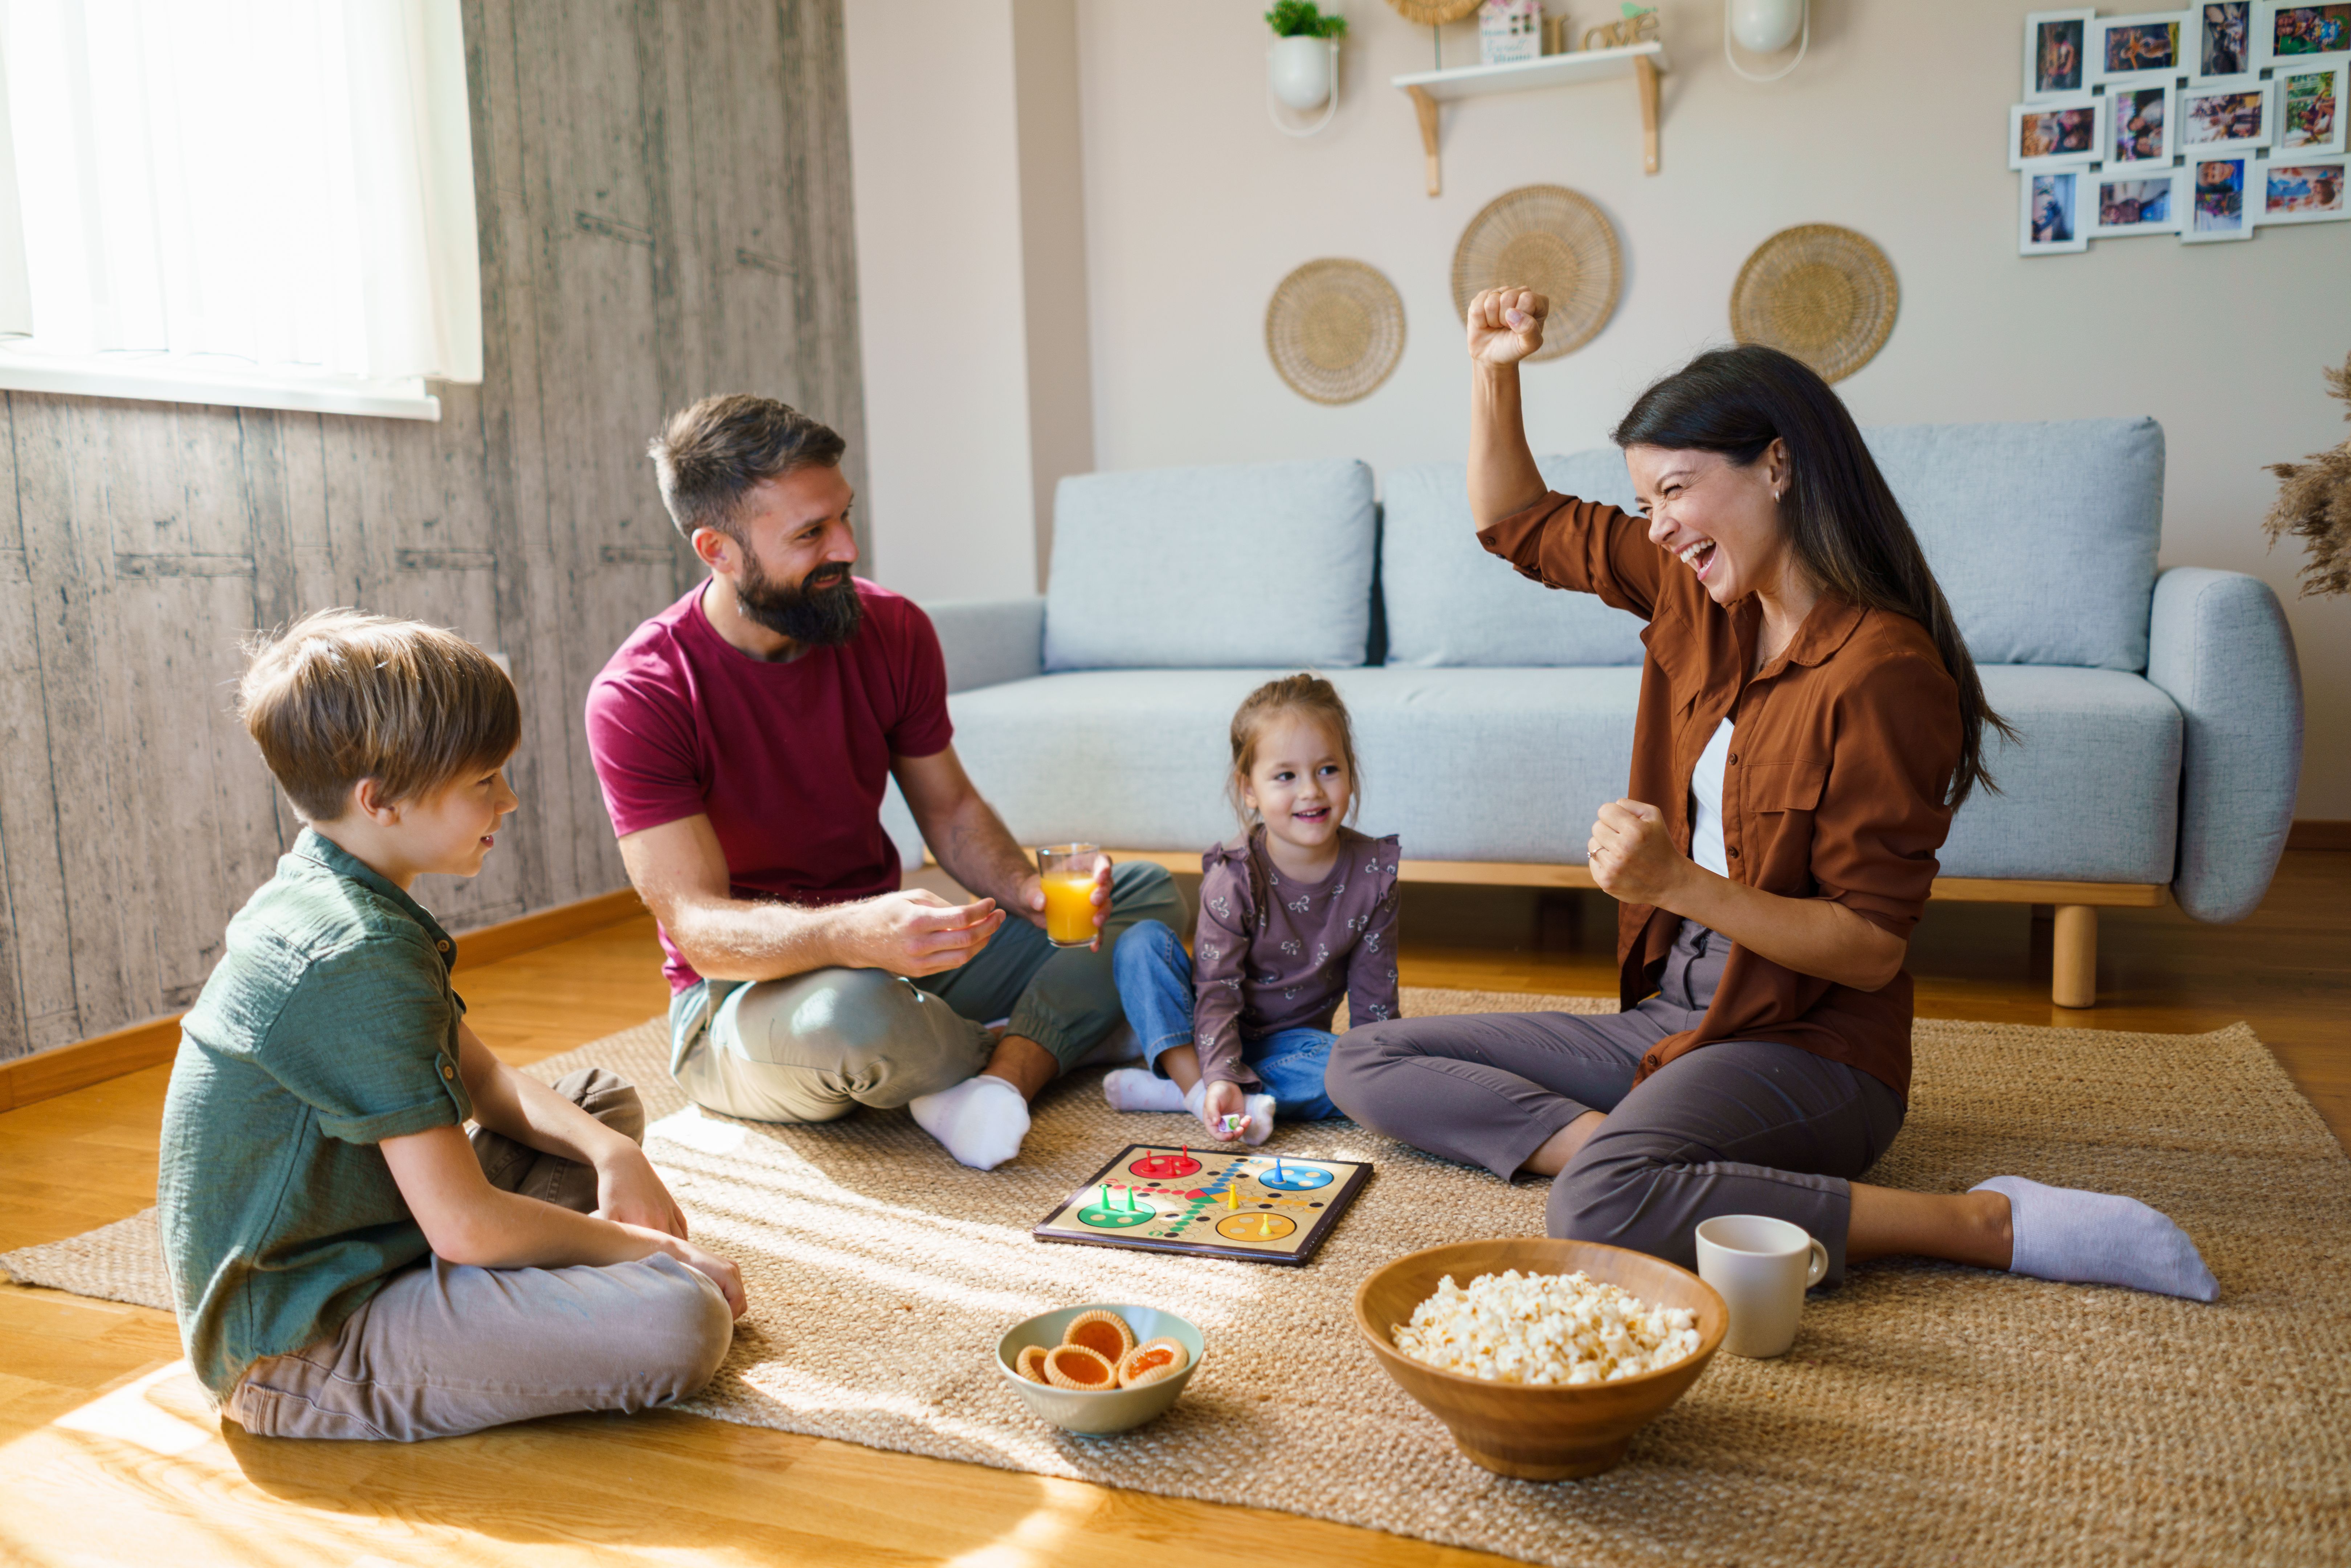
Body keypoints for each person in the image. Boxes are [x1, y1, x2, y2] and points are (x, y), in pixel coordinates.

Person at [1325, 291, 2221, 1304]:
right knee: (1364, 1060)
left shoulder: (1882, 669)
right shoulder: (1698, 594)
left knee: (1596, 1208)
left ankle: (1979, 1220)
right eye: (1644, 504)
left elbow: (1868, 946)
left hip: (1811, 1045)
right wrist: (1493, 369)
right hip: (1676, 1015)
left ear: (1777, 465)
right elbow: (1515, 523)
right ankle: (1648, 1153)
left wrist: (1677, 882)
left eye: (1673, 491)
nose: (1657, 528)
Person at [158, 610, 742, 1442]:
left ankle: (498, 1296)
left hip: (381, 1241)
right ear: (380, 800)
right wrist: (648, 1254)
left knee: (595, 1103)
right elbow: (464, 1226)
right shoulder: (354, 955)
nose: (509, 798)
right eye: (484, 781)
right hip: (300, 1347)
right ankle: (504, 1309)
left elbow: (485, 1081)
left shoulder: (334, 885)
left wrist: (617, 1155)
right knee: (680, 1321)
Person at [587, 395, 1184, 1171]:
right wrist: (847, 936)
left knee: (1142, 896)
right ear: (719, 550)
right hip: (751, 999)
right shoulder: (643, 694)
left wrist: (1027, 893)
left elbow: (953, 809)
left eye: (844, 516)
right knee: (861, 1016)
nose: (847, 547)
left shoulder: (892, 629)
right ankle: (1060, 1028)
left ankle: (1001, 1070)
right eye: (811, 533)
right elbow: (698, 927)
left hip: (900, 956)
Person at [1104, 674, 1399, 1143]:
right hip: (1210, 1027)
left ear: (1350, 769)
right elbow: (1216, 990)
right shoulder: (1234, 876)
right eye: (1285, 776)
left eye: (1328, 769)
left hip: (1290, 1048)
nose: (1310, 791)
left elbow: (1374, 1003)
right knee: (1140, 943)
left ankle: (1184, 1091)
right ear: (1249, 789)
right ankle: (1203, 1090)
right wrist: (1220, 1071)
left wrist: (1381, 1071)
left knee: (1361, 1067)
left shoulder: (1373, 873)